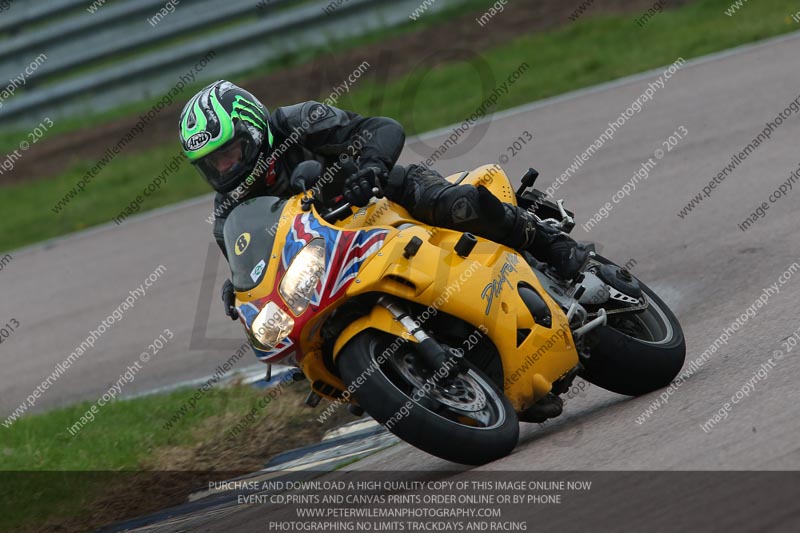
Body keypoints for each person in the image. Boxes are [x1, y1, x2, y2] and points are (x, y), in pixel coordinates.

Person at [178, 81, 587, 319]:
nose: (224, 168)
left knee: (460, 206)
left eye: (228, 152)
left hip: (382, 196)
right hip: (332, 258)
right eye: (212, 164)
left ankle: (547, 241)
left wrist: (370, 168)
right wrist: (240, 290)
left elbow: (380, 127)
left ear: (251, 128)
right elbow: (250, 264)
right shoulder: (228, 212)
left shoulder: (296, 121)